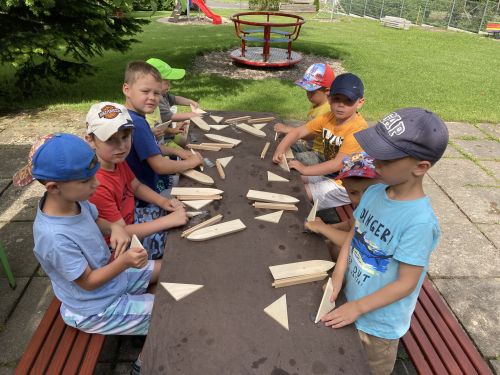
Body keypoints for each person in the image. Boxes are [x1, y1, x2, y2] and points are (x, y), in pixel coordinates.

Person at [12, 133, 160, 375]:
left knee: (166, 269)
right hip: (94, 308)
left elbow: (96, 219)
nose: (97, 184)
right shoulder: (54, 238)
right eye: (87, 180)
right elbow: (89, 283)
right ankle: (142, 364)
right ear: (53, 187)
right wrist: (123, 262)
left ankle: (137, 327)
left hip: (110, 281)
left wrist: (114, 228)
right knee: (167, 313)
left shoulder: (72, 201)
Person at [322, 108, 448, 375]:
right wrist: (338, 273)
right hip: (351, 300)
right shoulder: (375, 191)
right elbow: (353, 238)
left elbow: (406, 284)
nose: (375, 161)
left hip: (378, 327)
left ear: (421, 167)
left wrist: (358, 307)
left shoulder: (419, 223)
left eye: (386, 158)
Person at [85, 102, 189, 260]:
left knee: (185, 215)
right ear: (91, 140)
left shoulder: (116, 160)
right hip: (120, 246)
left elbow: (136, 185)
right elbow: (122, 232)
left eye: (125, 137)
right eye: (110, 140)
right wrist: (167, 221)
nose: (121, 146)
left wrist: (163, 202)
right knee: (179, 245)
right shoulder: (97, 185)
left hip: (133, 218)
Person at [273, 73, 368, 211]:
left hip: (347, 185)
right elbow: (298, 132)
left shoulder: (358, 129)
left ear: (359, 103)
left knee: (298, 192)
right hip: (331, 175)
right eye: (336, 99)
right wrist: (280, 150)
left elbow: (338, 164)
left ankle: (316, 221)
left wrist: (305, 169)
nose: (341, 105)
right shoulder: (328, 117)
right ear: (329, 98)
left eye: (348, 101)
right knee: (290, 178)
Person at [123, 60, 203, 203]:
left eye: (157, 93)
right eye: (145, 91)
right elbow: (160, 166)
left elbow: (148, 148)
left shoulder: (129, 116)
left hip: (147, 185)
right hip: (148, 197)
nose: (152, 97)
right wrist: (190, 163)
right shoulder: (138, 124)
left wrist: (178, 152)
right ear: (127, 89)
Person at [305, 152, 379, 258]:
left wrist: (324, 229)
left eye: (368, 190)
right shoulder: (362, 205)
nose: (362, 198)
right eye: (353, 193)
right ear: (344, 187)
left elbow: (354, 241)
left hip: (365, 257)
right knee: (317, 248)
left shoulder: (378, 210)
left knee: (334, 249)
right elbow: (350, 224)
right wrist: (329, 227)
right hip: (353, 246)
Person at [273, 63, 335, 166]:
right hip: (309, 147)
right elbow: (306, 129)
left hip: (321, 155)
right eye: (306, 90)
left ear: (327, 91)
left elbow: (310, 135)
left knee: (293, 160)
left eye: (311, 91)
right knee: (283, 142)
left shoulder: (327, 111)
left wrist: (288, 129)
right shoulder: (317, 104)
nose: (308, 94)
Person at [145, 57, 199, 147]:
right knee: (187, 151)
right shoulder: (156, 103)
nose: (169, 85)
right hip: (164, 141)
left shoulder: (163, 95)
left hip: (167, 135)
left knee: (188, 143)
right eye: (166, 82)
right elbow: (171, 117)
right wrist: (192, 115)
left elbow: (175, 99)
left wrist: (189, 101)